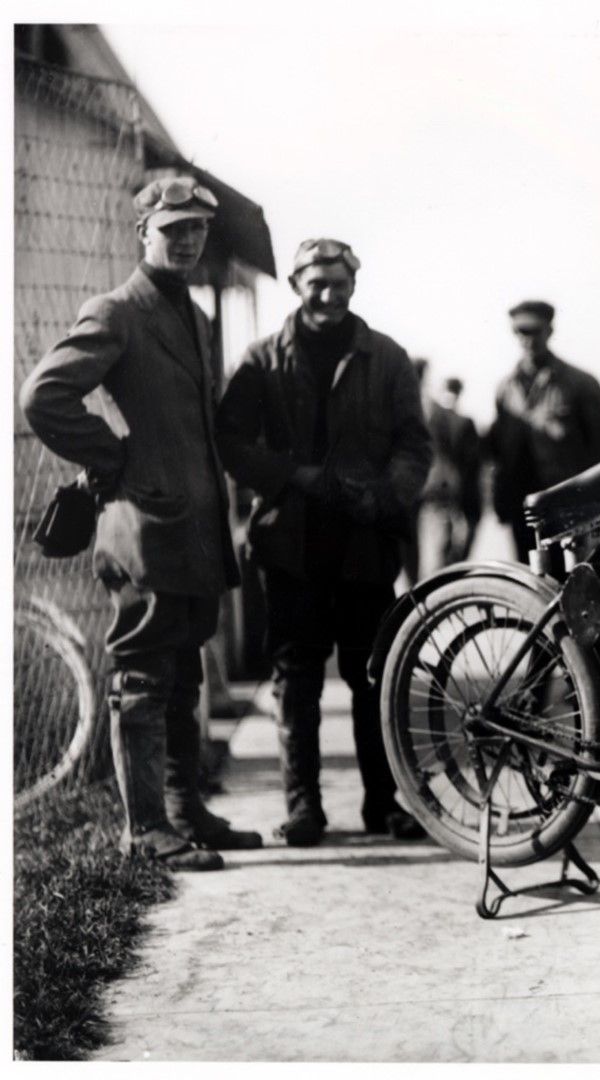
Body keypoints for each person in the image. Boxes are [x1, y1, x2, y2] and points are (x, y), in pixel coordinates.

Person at [20, 176, 260, 869]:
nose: (186, 241)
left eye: (196, 230)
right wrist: (112, 457)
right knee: (144, 679)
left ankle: (186, 813)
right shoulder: (118, 311)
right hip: (145, 528)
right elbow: (44, 397)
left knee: (184, 673)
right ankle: (145, 830)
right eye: (172, 229)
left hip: (192, 527)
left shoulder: (193, 316)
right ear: (142, 234)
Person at [216, 238, 432, 846]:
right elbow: (231, 442)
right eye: (318, 284)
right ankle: (303, 807)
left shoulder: (386, 358)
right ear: (295, 285)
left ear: (354, 286)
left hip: (365, 544)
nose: (330, 295)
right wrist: (292, 475)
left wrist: (386, 495)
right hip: (291, 547)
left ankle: (384, 804)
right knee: (297, 678)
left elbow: (416, 446)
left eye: (340, 283)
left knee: (374, 676)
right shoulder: (261, 361)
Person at [486, 300, 600, 558]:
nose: (528, 339)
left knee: (570, 581)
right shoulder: (505, 388)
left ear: (549, 331)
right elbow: (498, 451)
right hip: (523, 505)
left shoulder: (580, 383)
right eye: (521, 332)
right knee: (527, 582)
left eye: (535, 331)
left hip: (567, 504)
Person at [408, 362, 482, 581]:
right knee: (437, 550)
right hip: (433, 492)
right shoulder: (430, 411)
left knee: (440, 549)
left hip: (439, 491)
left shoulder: (435, 411)